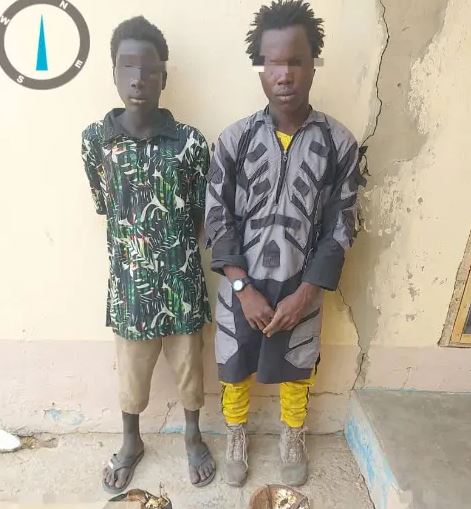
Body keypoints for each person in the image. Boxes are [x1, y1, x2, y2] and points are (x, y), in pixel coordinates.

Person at [205, 0, 361, 487]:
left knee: (297, 365)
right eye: (273, 62)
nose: (285, 74)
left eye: (296, 60)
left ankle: (293, 434)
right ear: (261, 68)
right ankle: (236, 434)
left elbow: (342, 224)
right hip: (242, 285)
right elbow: (216, 214)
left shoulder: (339, 143)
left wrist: (307, 293)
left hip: (302, 284)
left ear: (314, 64)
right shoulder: (235, 139)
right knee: (235, 364)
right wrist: (241, 287)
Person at [81, 16, 215, 493]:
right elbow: (105, 204)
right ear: (114, 73)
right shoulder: (96, 142)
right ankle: (131, 440)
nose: (138, 79)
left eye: (150, 69)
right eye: (127, 67)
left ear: (164, 76)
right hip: (130, 287)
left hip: (181, 282)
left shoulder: (191, 143)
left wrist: (172, 254)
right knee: (132, 375)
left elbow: (199, 211)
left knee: (190, 368)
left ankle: (193, 437)